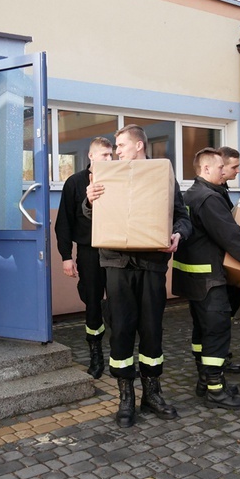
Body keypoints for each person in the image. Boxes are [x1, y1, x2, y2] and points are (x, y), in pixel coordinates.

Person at [85, 124, 192, 428]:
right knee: (120, 330)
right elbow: (93, 215)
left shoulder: (162, 176)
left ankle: (152, 394)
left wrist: (178, 234)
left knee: (151, 328)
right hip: (117, 265)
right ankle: (125, 397)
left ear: (138, 146)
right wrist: (90, 199)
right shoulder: (107, 176)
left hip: (152, 265)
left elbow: (182, 217)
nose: (116, 151)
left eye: (120, 145)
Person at [173, 148, 240, 410]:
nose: (225, 171)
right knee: (217, 331)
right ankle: (216, 390)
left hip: (194, 277)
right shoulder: (208, 198)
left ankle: (204, 381)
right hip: (209, 278)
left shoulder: (192, 194)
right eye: (221, 167)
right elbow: (232, 236)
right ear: (206, 169)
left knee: (202, 331)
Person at [55, 137, 113, 379]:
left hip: (116, 250)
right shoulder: (74, 182)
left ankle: (120, 354)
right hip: (89, 251)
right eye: (105, 155)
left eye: (112, 155)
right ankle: (96, 354)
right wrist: (66, 256)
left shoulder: (117, 180)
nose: (110, 159)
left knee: (120, 302)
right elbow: (64, 222)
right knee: (92, 302)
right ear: (91, 156)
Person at [218, 146, 240, 375]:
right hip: (219, 267)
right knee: (221, 314)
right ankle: (218, 360)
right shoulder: (211, 193)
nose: (237, 172)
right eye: (234, 167)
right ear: (220, 166)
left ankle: (223, 356)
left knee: (232, 305)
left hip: (227, 264)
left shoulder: (222, 189)